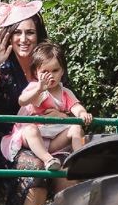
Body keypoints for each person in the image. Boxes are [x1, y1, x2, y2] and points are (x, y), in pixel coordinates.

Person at [5, 42, 92, 171]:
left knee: (76, 127)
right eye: (45, 71)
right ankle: (48, 160)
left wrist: (82, 113)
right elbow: (22, 101)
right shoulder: (36, 88)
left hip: (54, 139)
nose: (50, 75)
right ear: (36, 72)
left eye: (55, 70)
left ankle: (78, 159)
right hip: (35, 136)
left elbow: (76, 106)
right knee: (30, 130)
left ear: (62, 71)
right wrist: (39, 89)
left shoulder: (65, 92)